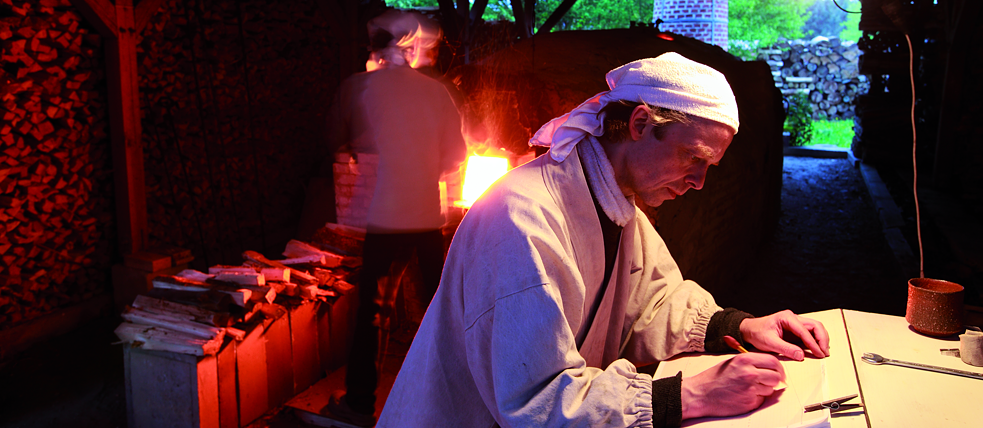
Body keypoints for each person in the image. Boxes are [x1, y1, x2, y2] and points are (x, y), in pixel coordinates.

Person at [377, 52, 830, 427]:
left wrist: (739, 326)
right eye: (693, 157)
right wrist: (689, 395)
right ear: (638, 124)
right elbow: (536, 399)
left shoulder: (617, 205)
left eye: (708, 167)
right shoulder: (522, 218)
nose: (698, 182)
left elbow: (652, 306)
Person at [322, 9, 467, 427]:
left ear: (376, 48)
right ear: (411, 47)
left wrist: (355, 153)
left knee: (373, 310)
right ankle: (453, 405)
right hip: (426, 219)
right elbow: (456, 156)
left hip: (385, 219)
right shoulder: (437, 93)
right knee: (442, 313)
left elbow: (337, 137)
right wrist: (422, 168)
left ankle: (359, 405)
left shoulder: (358, 87)